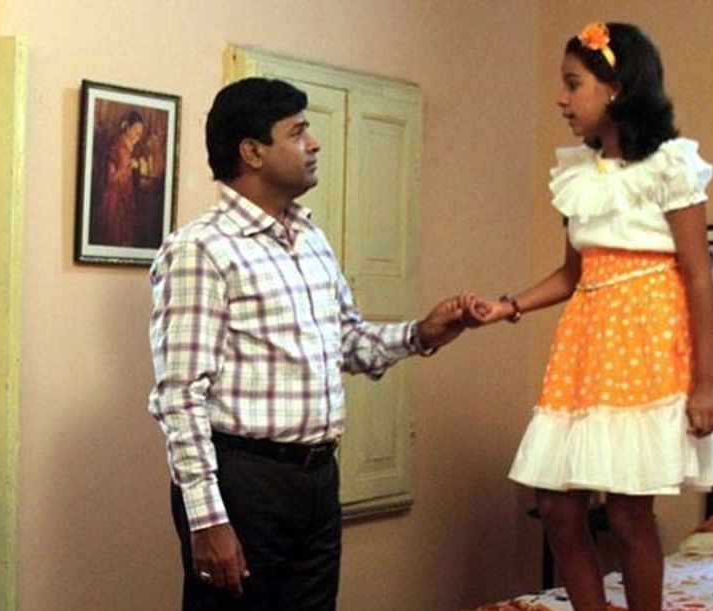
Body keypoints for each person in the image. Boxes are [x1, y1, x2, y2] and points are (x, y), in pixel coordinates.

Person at [148, 77, 469, 611]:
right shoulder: (201, 249)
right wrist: (207, 520)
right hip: (245, 482)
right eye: (297, 133)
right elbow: (180, 395)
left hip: (317, 480)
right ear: (252, 152)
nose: (314, 143)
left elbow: (347, 342)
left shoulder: (309, 238)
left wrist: (420, 334)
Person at [464, 23, 713, 611]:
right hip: (584, 346)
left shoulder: (670, 165)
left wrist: (707, 382)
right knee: (557, 504)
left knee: (629, 512)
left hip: (647, 344)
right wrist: (508, 305)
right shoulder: (580, 172)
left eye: (573, 84)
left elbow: (697, 274)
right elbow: (573, 273)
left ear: (616, 88)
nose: (562, 99)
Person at [95, 110, 146, 246]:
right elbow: (111, 178)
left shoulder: (131, 148)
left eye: (140, 132)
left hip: (126, 199)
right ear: (127, 128)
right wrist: (129, 166)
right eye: (135, 130)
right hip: (114, 201)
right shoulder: (116, 147)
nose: (138, 135)